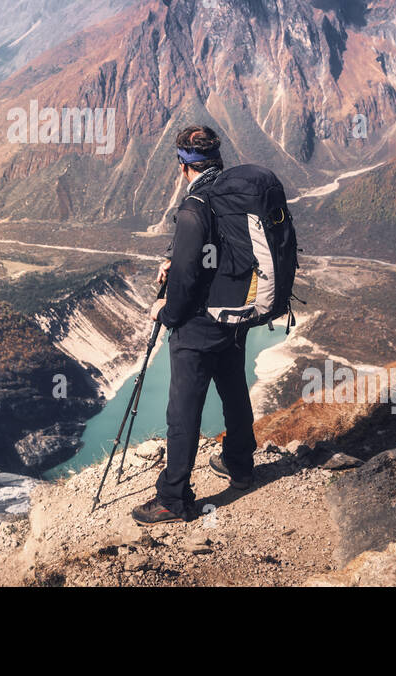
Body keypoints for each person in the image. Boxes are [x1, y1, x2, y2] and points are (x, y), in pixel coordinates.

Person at [133, 125, 258, 525]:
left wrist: (166, 312)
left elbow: (186, 280)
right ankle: (240, 465)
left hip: (199, 325)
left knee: (183, 410)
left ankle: (173, 498)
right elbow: (217, 255)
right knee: (234, 390)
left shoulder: (193, 208)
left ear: (183, 165)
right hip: (234, 314)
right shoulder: (232, 192)